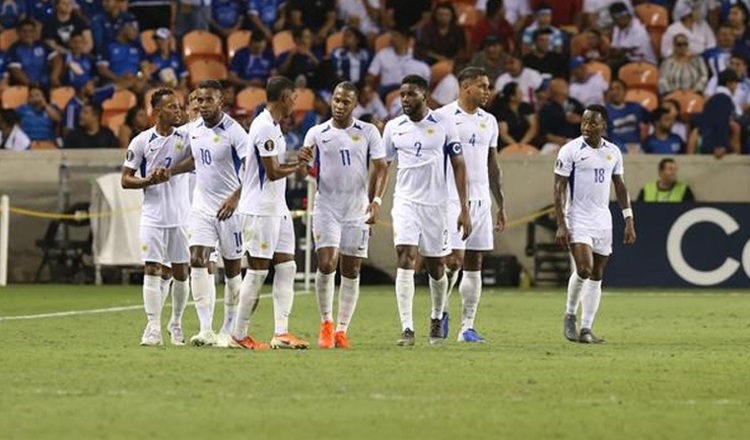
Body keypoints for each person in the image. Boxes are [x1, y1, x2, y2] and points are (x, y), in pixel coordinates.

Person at [297, 81, 388, 349]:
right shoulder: (316, 132)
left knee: (352, 269)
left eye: (345, 101)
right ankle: (326, 322)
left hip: (356, 209)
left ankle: (342, 330)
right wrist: (302, 162)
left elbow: (381, 168)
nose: (339, 105)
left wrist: (376, 202)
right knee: (326, 263)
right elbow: (305, 171)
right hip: (326, 207)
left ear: (355, 104)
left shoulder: (368, 132)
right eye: (336, 100)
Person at [383, 74, 471, 346]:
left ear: (424, 95)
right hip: (405, 201)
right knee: (405, 255)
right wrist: (374, 200)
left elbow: (458, 165)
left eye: (410, 94)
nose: (405, 100)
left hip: (436, 205)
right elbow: (383, 166)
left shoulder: (444, 124)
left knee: (437, 265)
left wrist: (463, 208)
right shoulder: (393, 127)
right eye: (402, 94)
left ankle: (436, 316)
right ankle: (407, 329)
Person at [169, 80, 250, 347]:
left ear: (221, 101)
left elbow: (252, 169)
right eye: (199, 100)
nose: (203, 105)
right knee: (197, 258)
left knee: (232, 271)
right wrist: (170, 172)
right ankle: (205, 329)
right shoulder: (194, 130)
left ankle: (228, 328)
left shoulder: (235, 132)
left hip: (230, 211)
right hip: (202, 207)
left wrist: (236, 198)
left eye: (208, 100)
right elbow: (195, 159)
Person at [231, 76, 309, 350]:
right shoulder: (263, 126)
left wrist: (291, 163)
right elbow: (273, 171)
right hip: (260, 209)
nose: (295, 103)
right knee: (257, 272)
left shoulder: (274, 126)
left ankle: (281, 333)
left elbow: (274, 167)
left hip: (278, 208)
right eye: (294, 98)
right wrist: (297, 166)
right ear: (285, 97)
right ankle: (238, 335)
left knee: (287, 266)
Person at [554, 104, 637, 344]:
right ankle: (570, 314)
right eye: (584, 122)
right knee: (584, 269)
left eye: (592, 123)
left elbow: (620, 186)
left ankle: (587, 328)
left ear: (604, 126)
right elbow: (558, 187)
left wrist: (628, 219)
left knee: (597, 274)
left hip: (602, 219)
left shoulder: (613, 151)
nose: (587, 127)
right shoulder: (570, 150)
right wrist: (561, 223)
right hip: (577, 217)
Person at [436, 67, 506, 343]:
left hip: (480, 199)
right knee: (453, 261)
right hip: (451, 198)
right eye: (483, 86)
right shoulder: (442, 117)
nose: (488, 91)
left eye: (488, 87)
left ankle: (467, 327)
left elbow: (492, 164)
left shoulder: (489, 121)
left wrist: (500, 201)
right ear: (466, 87)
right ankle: (439, 312)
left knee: (475, 261)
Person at [121, 88, 191, 346]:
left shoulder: (186, 136)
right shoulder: (141, 141)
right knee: (152, 268)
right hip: (152, 215)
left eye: (180, 106)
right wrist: (147, 180)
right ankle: (153, 327)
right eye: (172, 107)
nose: (179, 111)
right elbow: (125, 179)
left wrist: (170, 171)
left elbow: (196, 161)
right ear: (157, 111)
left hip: (181, 216)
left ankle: (176, 322)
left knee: (181, 272)